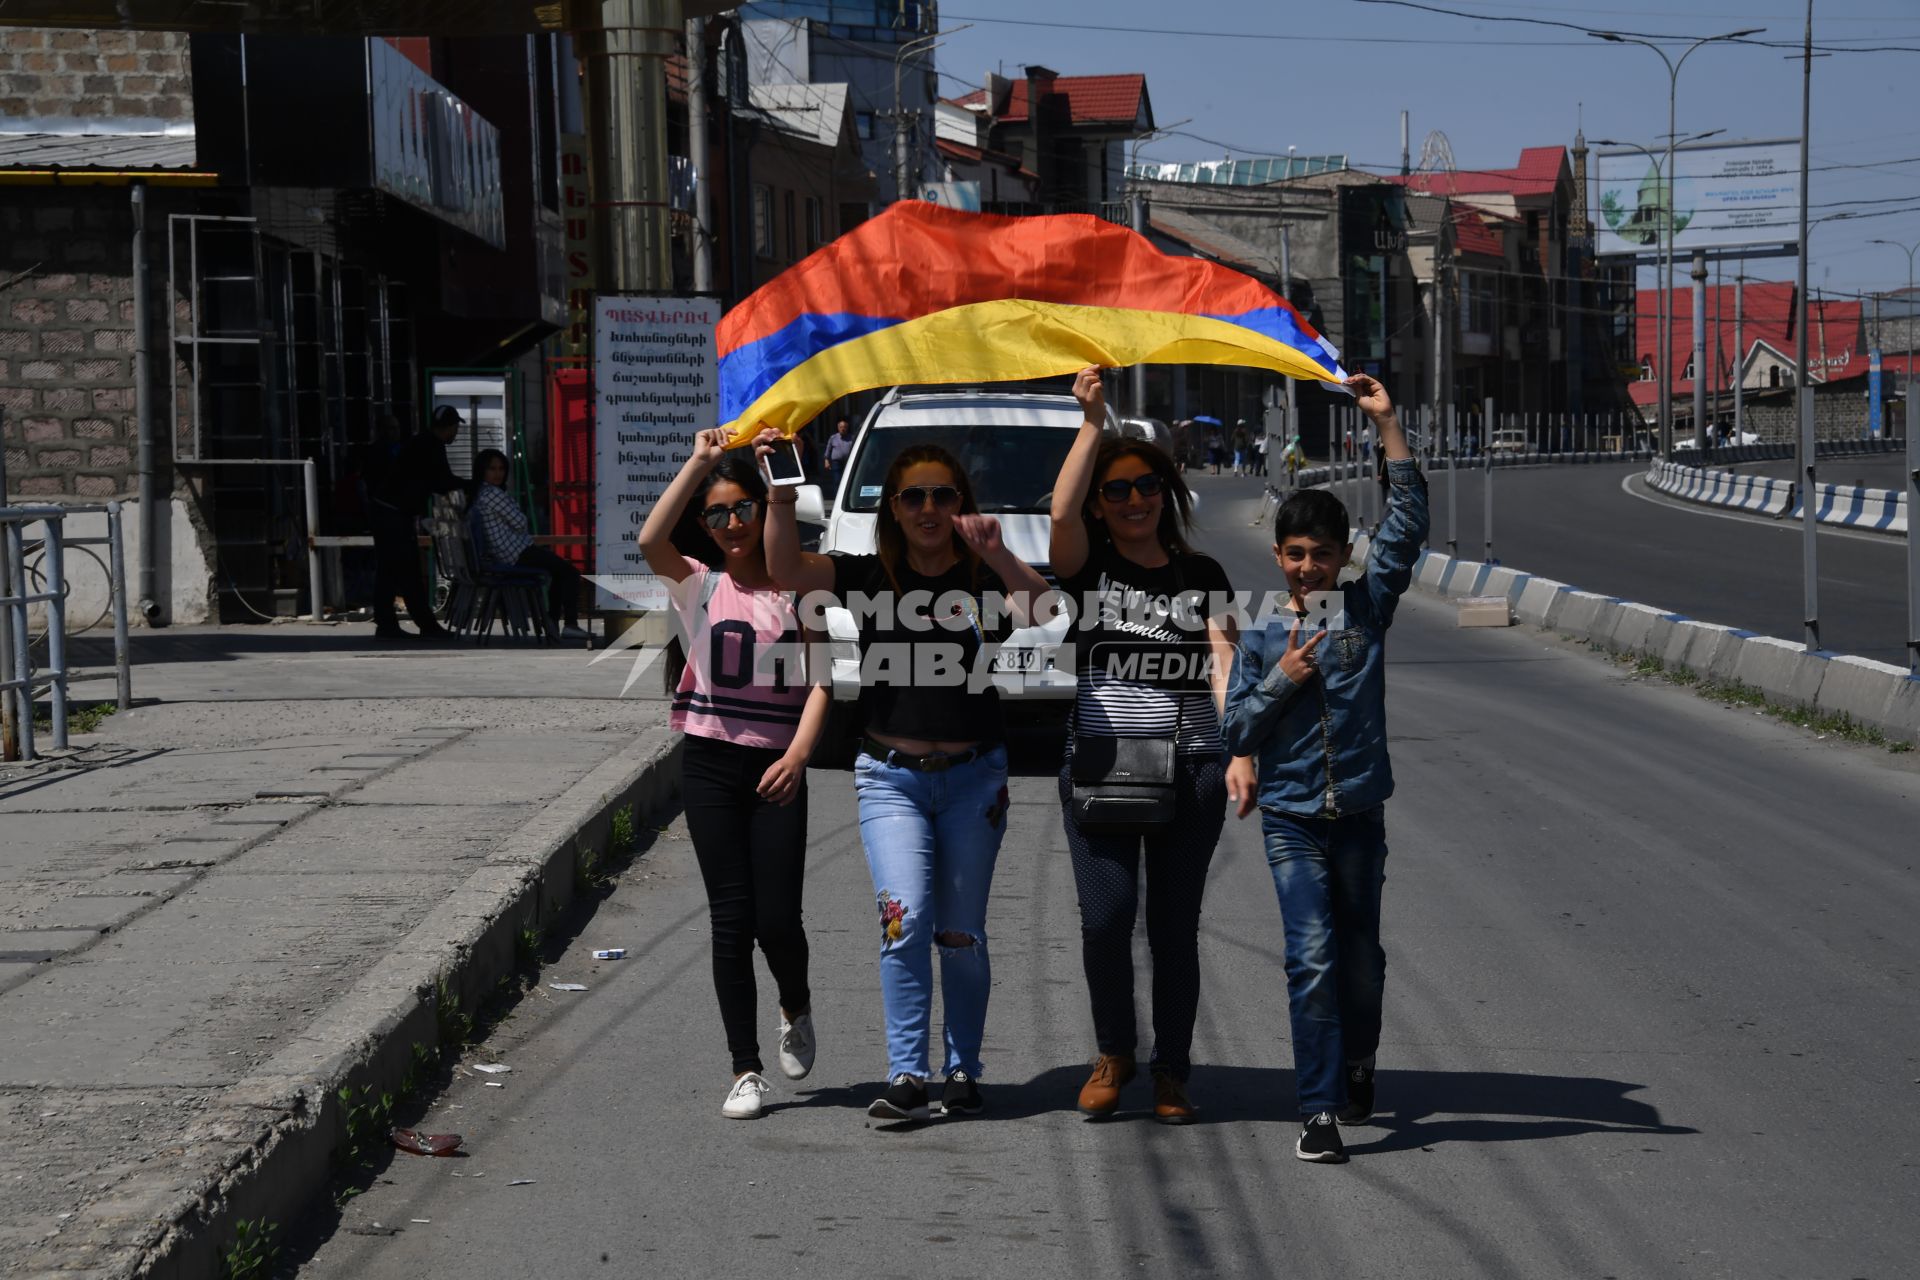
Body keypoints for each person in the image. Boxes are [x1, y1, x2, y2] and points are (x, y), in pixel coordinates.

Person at [761, 429, 1047, 1124]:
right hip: (890, 779)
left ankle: (963, 1070)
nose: (927, 508)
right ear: (892, 507)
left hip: (975, 780)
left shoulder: (981, 572)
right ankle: (908, 1074)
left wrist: (998, 552)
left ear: (960, 504)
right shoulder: (864, 573)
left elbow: (1043, 610)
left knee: (960, 933)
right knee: (904, 922)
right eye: (912, 496)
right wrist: (778, 493)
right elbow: (783, 569)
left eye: (941, 495)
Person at [1221, 373, 1428, 1165]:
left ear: (1345, 559)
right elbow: (1235, 725)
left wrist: (1388, 424)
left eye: (1323, 556)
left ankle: (1359, 1059)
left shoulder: (1365, 609)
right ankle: (1317, 1109)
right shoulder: (1264, 628)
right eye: (1296, 556)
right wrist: (1282, 680)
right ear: (1278, 557)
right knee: (1309, 954)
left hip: (1359, 818)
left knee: (1362, 962)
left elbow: (1406, 527)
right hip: (1291, 820)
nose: (1308, 569)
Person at [1049, 368, 1257, 1124]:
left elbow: (1223, 661)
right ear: (1101, 507)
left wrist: (1239, 749)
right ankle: (1114, 1052)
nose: (1134, 500)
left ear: (1166, 496)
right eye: (1118, 490)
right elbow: (1059, 515)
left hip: (1193, 770)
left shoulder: (1200, 573)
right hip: (1101, 766)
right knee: (1105, 921)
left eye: (1146, 487)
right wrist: (1093, 423)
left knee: (1173, 928)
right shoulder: (1085, 569)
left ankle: (1172, 1069)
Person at [638, 430, 833, 1120]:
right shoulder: (699, 583)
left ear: (763, 507)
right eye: (716, 514)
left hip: (780, 766)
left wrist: (800, 757)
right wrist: (697, 460)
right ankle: (744, 1068)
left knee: (778, 918)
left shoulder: (799, 586)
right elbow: (648, 540)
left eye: (742, 508)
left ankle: (797, 1002)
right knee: (731, 919)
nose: (731, 525)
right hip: (711, 762)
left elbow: (823, 682)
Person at [368, 404, 465, 640]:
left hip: (387, 511)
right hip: (394, 515)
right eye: (455, 428)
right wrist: (474, 485)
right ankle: (424, 625)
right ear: (450, 427)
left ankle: (389, 624)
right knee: (406, 570)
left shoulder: (421, 441)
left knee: (390, 570)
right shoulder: (432, 446)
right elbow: (443, 482)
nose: (455, 434)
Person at [472, 449, 588, 641]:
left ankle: (554, 622)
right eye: (492, 468)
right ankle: (569, 624)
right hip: (516, 552)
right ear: (482, 471)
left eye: (501, 468)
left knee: (560, 570)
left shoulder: (480, 493)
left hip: (508, 552)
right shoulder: (492, 493)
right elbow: (520, 522)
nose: (497, 473)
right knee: (570, 572)